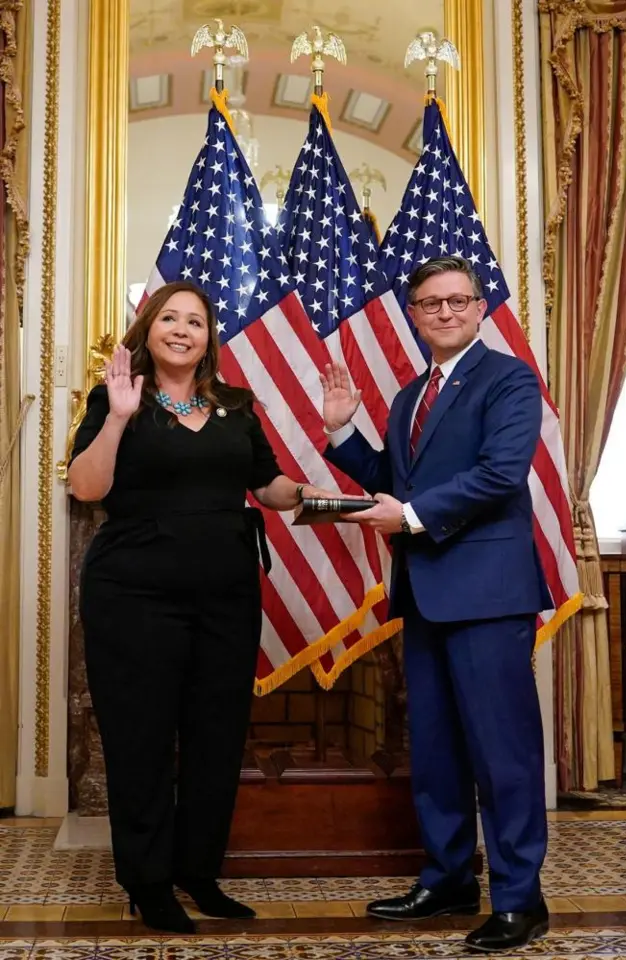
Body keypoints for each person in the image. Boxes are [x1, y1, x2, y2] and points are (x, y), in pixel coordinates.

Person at [69, 280, 335, 934]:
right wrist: (121, 418)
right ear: (148, 329)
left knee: (216, 737)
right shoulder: (115, 397)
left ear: (209, 336)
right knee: (141, 739)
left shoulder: (236, 405)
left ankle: (199, 872)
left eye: (195, 321)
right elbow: (86, 487)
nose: (183, 329)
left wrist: (318, 479)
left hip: (226, 595)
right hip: (133, 596)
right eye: (170, 318)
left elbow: (267, 484)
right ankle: (148, 880)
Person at [320, 256, 551, 953]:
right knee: (438, 752)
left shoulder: (509, 379)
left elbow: (501, 474)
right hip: (424, 595)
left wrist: (412, 517)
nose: (445, 312)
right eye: (431, 303)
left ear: (480, 308)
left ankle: (520, 900)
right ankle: (449, 879)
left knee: (503, 756)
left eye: (457, 300)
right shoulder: (408, 397)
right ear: (415, 315)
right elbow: (396, 484)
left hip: (488, 595)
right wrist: (343, 433)